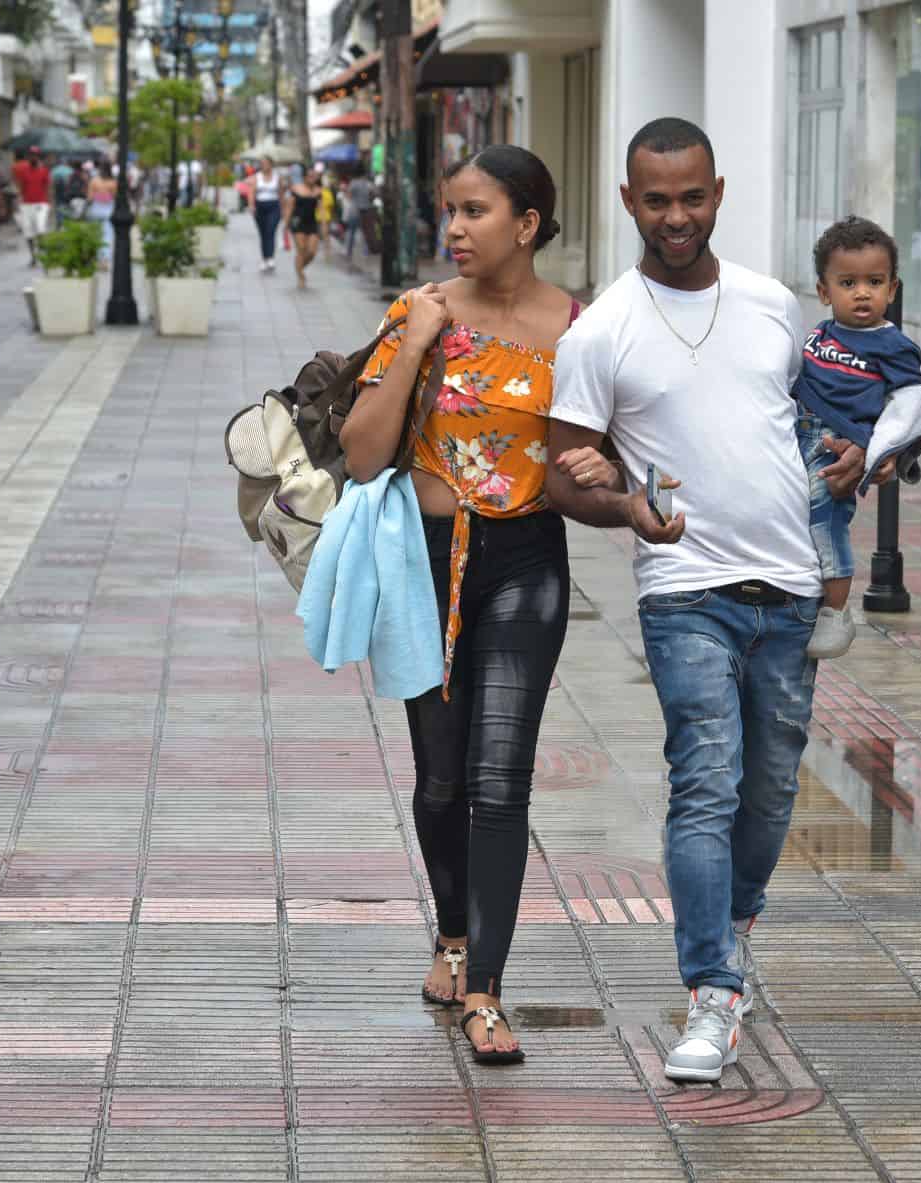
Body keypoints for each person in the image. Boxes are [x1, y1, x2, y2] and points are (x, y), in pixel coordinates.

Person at [546, 117, 890, 1083]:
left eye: (692, 196)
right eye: (656, 200)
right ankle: (712, 991)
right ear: (628, 203)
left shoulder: (775, 305)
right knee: (706, 775)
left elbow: (825, 417)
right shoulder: (603, 328)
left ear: (718, 192)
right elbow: (561, 478)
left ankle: (733, 930)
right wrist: (623, 505)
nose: (676, 216)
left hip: (788, 589)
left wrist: (867, 448)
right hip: (684, 589)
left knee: (771, 788)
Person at [339, 145, 611, 1066]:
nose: (453, 228)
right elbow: (363, 453)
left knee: (503, 776)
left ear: (527, 224)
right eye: (449, 210)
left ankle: (486, 988)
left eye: (475, 211)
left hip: (528, 559)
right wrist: (415, 342)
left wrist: (610, 472)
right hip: (424, 560)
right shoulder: (420, 312)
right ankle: (451, 933)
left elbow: (608, 437)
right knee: (440, 778)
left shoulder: (579, 324)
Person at [792, 216, 919, 657]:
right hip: (797, 432)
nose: (862, 292)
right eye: (848, 282)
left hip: (838, 445)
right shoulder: (819, 334)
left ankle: (836, 612)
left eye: (874, 281)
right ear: (825, 292)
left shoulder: (893, 345)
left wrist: (880, 449)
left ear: (892, 289)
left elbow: (909, 405)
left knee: (825, 523)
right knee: (793, 517)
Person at [282, 167, 324, 289]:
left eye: (314, 176)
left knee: (311, 252)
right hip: (297, 222)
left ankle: (299, 267)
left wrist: (323, 225)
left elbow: (321, 209)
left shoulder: (318, 191)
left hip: (312, 223)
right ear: (304, 177)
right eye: (310, 176)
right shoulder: (296, 189)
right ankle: (301, 276)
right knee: (301, 249)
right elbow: (289, 206)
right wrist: (285, 224)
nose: (312, 179)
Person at [12, 148, 53, 266]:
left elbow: (48, 187)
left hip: (41, 203)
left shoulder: (44, 171)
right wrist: (19, 203)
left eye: (35, 155)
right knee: (28, 232)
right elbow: (20, 187)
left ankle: (41, 252)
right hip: (27, 204)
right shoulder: (24, 171)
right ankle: (33, 256)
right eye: (31, 155)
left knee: (40, 228)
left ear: (38, 157)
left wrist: (49, 204)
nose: (33, 157)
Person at [250, 156, 283, 273]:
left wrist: (282, 208)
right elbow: (252, 192)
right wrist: (251, 206)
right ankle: (264, 258)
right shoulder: (256, 177)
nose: (264, 165)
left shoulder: (277, 177)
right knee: (263, 233)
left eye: (266, 163)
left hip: (274, 206)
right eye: (262, 163)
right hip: (260, 206)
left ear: (271, 164)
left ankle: (271, 257)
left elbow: (281, 193)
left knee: (271, 231)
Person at [345, 169, 376, 258]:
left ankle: (349, 252)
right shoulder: (368, 184)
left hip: (354, 210)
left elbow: (348, 195)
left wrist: (354, 200)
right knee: (365, 231)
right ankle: (366, 251)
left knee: (351, 231)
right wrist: (368, 200)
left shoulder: (353, 183)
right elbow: (374, 194)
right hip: (366, 210)